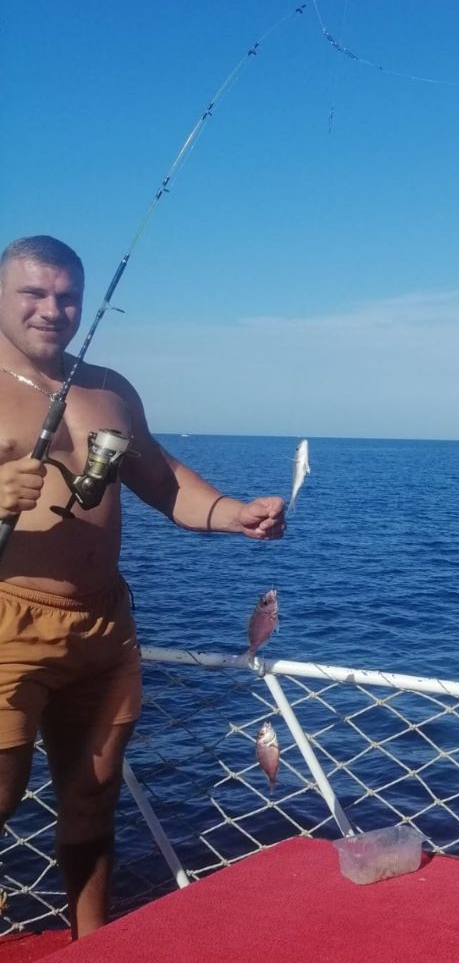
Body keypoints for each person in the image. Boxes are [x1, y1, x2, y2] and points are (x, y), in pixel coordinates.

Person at [0, 235, 285, 938]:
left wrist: (234, 513)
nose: (52, 310)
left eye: (67, 297)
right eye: (33, 293)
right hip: (7, 624)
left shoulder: (110, 389)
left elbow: (163, 479)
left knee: (93, 799)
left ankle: (93, 945)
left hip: (103, 627)